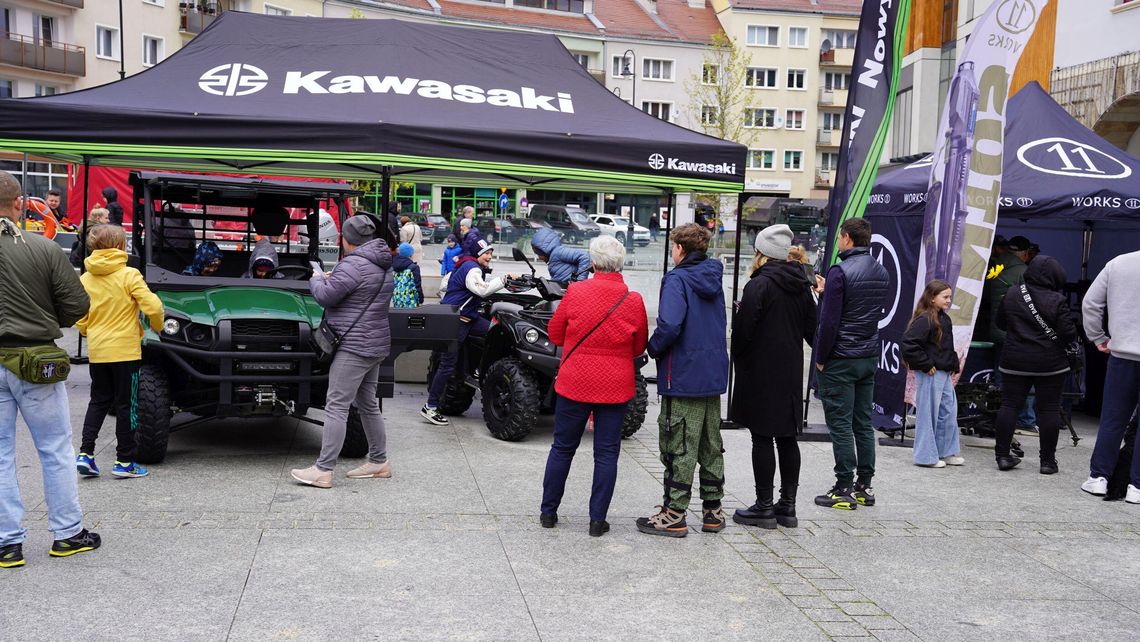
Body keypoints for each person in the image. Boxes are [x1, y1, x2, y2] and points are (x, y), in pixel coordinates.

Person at [0, 170, 99, 568]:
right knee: (56, 449)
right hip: (35, 357)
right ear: (21, 203)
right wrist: (45, 316)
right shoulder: (42, 249)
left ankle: (7, 542)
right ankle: (67, 533)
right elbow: (78, 305)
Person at [540, 235, 647, 537]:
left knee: (562, 448)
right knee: (606, 453)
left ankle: (548, 513)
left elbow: (556, 334)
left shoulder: (576, 292)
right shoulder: (633, 300)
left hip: (576, 382)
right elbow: (639, 346)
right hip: (615, 385)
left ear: (594, 262)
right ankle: (597, 521)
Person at [636, 223, 728, 537]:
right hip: (712, 373)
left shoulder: (676, 279)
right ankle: (713, 511)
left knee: (678, 444)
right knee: (710, 443)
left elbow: (670, 325)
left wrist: (651, 347)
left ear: (679, 249)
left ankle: (674, 513)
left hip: (684, 374)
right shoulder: (714, 277)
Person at [291, 215, 394, 488]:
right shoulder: (383, 264)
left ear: (346, 240)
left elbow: (325, 296)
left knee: (336, 405)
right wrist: (333, 277)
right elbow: (355, 290)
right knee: (368, 403)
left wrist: (316, 278)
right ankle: (379, 461)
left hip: (354, 346)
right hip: (376, 344)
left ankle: (323, 470)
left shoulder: (353, 265)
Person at [730, 225, 817, 529]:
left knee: (762, 437)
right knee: (787, 438)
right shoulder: (802, 286)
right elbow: (813, 331)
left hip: (762, 371)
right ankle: (788, 507)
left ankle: (764, 506)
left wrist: (738, 352)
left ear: (762, 252)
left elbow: (743, 333)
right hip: (790, 369)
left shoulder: (759, 285)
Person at [75, 224, 164, 479]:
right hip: (125, 352)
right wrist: (157, 327)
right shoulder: (129, 275)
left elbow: (79, 314)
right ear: (120, 246)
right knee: (127, 406)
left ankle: (86, 454)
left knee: (98, 400)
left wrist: (86, 330)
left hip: (99, 350)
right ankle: (124, 461)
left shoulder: (86, 277)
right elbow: (154, 306)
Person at [813, 217, 888, 510]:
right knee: (862, 424)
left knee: (840, 424)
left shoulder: (839, 271)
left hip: (841, 357)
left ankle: (842, 486)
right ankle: (864, 486)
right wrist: (827, 291)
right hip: (867, 354)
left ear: (846, 238)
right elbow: (862, 308)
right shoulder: (881, 270)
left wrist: (820, 358)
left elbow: (830, 321)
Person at [993, 256, 1077, 474]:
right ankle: (1047, 462)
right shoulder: (1057, 300)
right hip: (1050, 363)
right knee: (1048, 409)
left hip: (1014, 359)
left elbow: (1000, 322)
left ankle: (1002, 456)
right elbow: (1068, 333)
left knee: (1009, 405)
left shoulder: (1012, 293)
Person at [421, 239, 512, 426]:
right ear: (477, 254)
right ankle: (430, 407)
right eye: (486, 253)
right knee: (447, 364)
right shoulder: (472, 268)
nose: (489, 257)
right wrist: (503, 280)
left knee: (494, 332)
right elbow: (482, 289)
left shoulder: (466, 264)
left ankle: (479, 368)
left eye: (491, 253)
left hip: (468, 318)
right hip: (456, 320)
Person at [1081, 249, 1140, 500]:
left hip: (1123, 353)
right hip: (1123, 352)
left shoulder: (1119, 263)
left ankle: (1098, 477)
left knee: (1113, 419)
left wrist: (1097, 337)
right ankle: (1136, 487)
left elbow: (1090, 303)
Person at [901, 280, 965, 469]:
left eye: (950, 297)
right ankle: (925, 456)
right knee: (928, 415)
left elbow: (944, 345)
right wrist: (926, 364)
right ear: (932, 298)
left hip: (942, 371)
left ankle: (945, 451)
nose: (948, 300)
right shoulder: (926, 319)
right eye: (945, 297)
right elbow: (908, 343)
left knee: (948, 412)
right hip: (931, 372)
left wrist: (952, 363)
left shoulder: (942, 317)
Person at [985, 235, 1037, 431]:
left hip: (997, 330)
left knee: (1000, 375)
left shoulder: (996, 269)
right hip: (1018, 333)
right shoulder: (1024, 272)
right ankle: (1026, 419)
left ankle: (1000, 415)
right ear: (1024, 253)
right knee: (1026, 376)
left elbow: (987, 294)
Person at [391, 242, 424, 309]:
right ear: (410, 254)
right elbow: (417, 285)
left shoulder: (393, 266)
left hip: (397, 299)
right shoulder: (414, 267)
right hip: (411, 300)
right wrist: (421, 299)